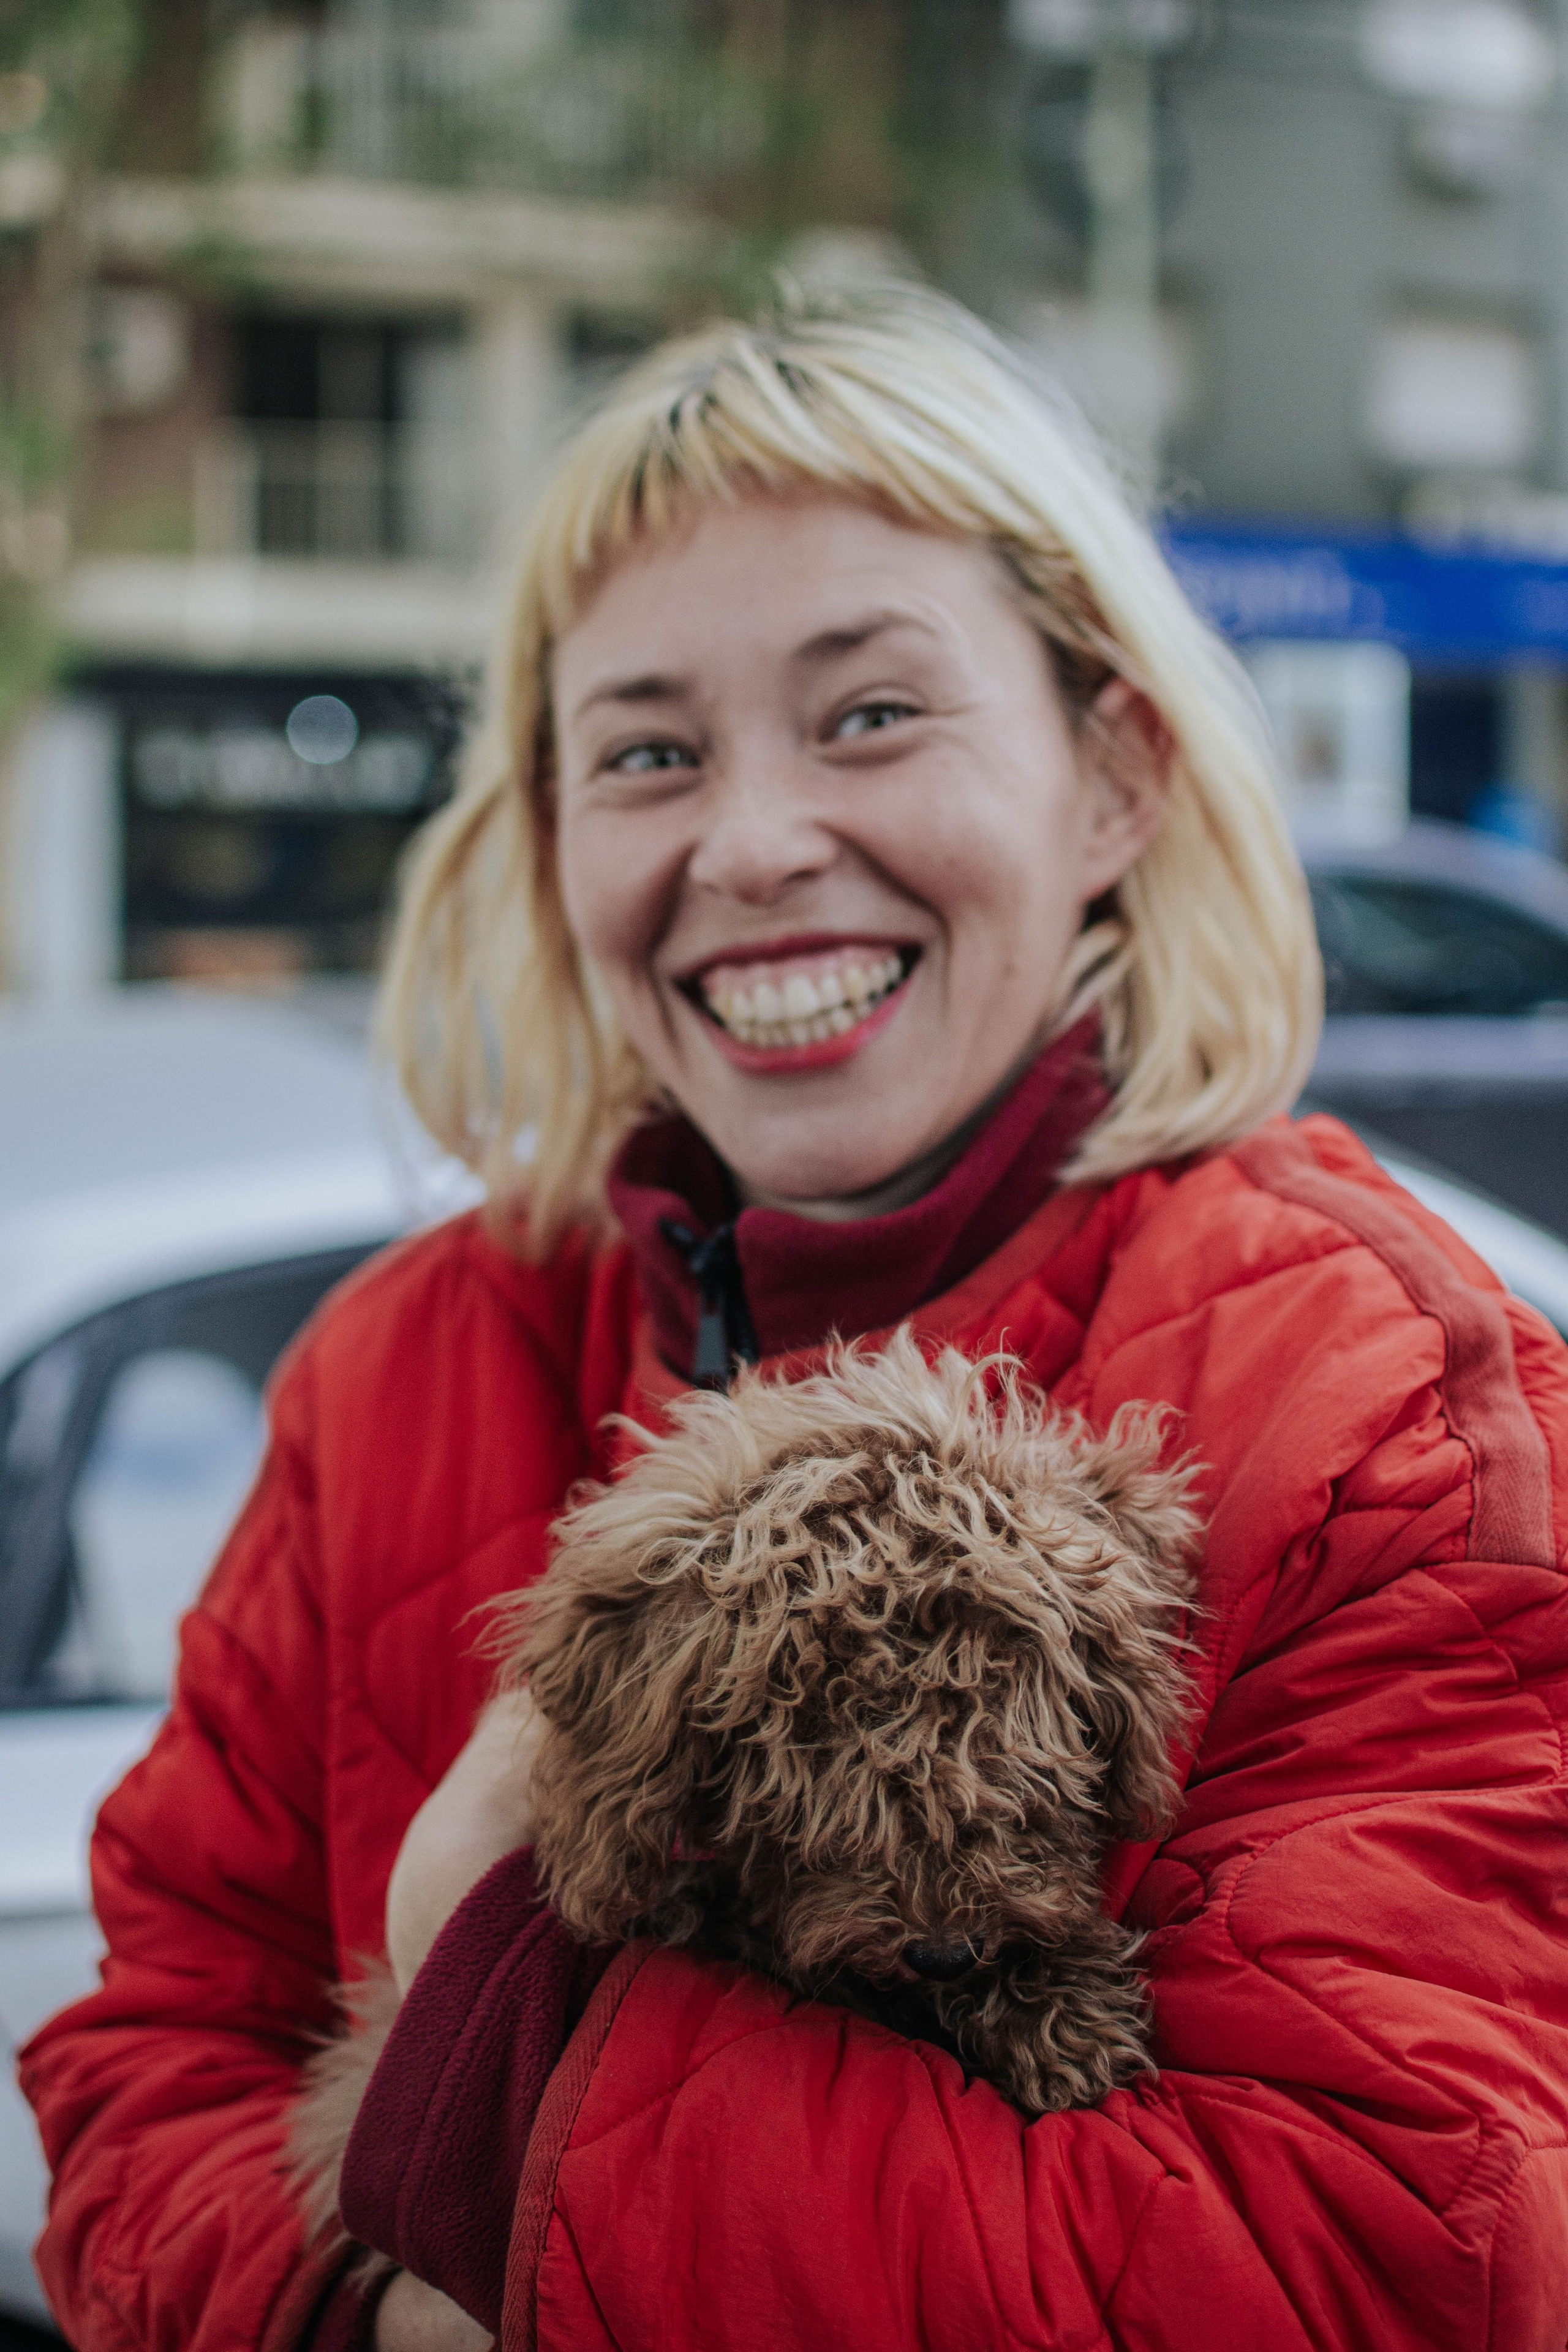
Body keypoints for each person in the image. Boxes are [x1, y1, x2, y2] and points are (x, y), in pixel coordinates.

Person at [21, 287, 1568, 2352]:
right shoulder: (400, 1368)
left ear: (1115, 778)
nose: (752, 846)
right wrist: (377, 2326)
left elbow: (1386, 2262)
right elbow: (151, 2061)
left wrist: (494, 2025)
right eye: (648, 753)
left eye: (871, 714)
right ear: (553, 844)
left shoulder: (1385, 1406)